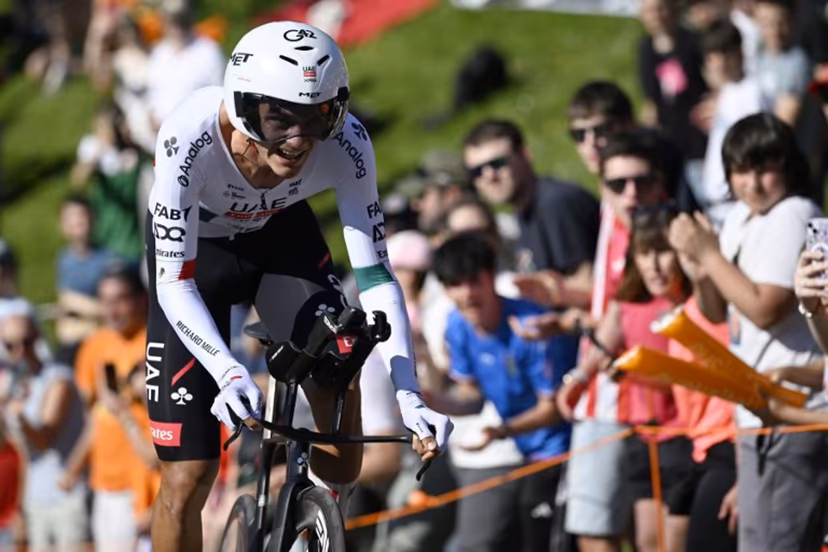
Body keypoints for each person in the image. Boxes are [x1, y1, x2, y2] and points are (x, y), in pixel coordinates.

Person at [144, 21, 452, 552]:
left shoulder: (349, 142)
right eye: (279, 117)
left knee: (341, 389)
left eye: (319, 117)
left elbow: (377, 276)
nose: (299, 139)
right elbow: (174, 282)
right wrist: (227, 368)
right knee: (189, 473)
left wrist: (410, 393)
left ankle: (308, 524)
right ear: (243, 107)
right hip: (199, 262)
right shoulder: (188, 136)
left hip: (281, 238)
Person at [669, 112, 828, 552]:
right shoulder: (741, 218)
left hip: (795, 409)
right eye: (741, 170)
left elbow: (765, 309)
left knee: (777, 541)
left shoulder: (794, 213)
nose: (752, 184)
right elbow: (718, 311)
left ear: (788, 165)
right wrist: (698, 268)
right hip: (754, 410)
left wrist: (709, 254)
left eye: (764, 168)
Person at [426, 232, 575, 552]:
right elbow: (473, 397)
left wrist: (502, 431)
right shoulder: (456, 325)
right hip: (527, 451)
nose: (467, 294)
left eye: (473, 280)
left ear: (491, 275)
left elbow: (556, 409)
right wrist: (435, 402)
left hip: (564, 448)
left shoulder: (529, 326)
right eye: (455, 284)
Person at [1, 313, 88, 552]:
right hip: (33, 499)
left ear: (38, 339)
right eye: (10, 345)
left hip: (65, 496)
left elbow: (44, 440)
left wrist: (19, 416)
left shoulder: (58, 378)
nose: (20, 351)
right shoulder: (12, 383)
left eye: (26, 342)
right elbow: (14, 448)